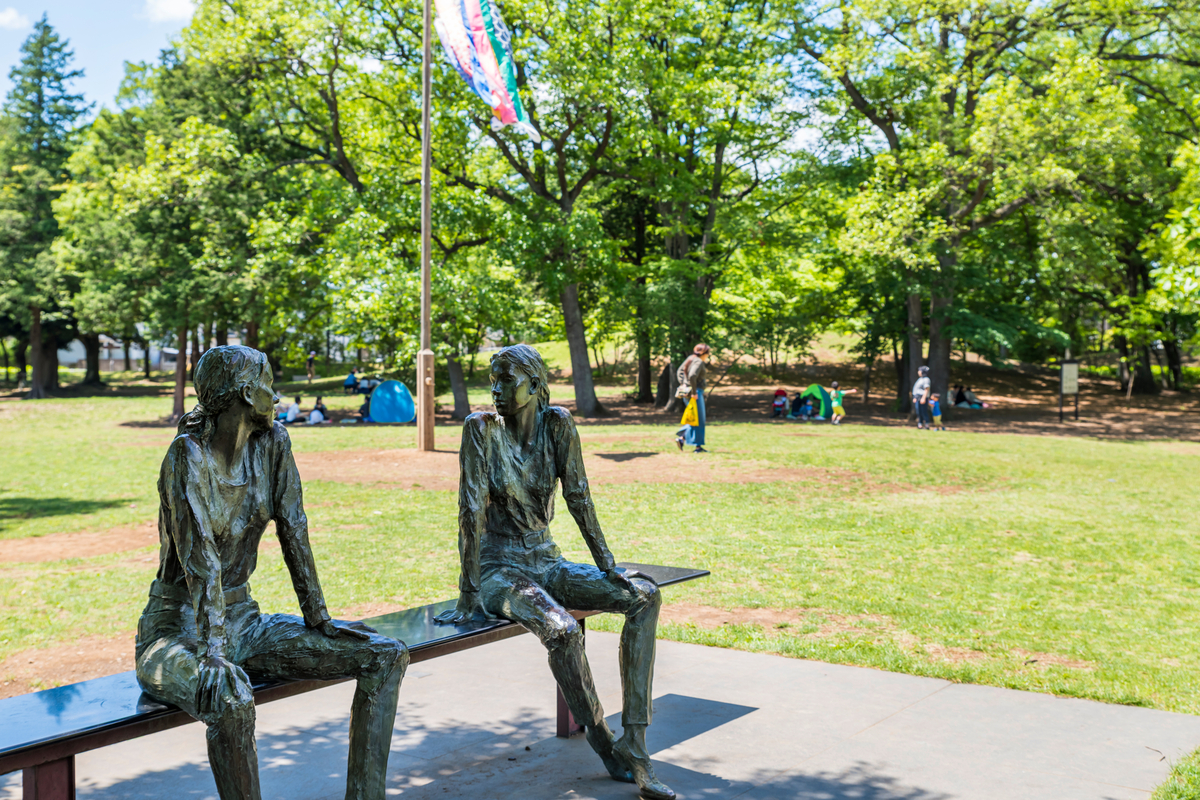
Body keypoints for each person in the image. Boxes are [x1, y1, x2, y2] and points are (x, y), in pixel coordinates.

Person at [134, 346, 407, 800]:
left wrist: (319, 618)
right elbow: (201, 562)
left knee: (385, 654)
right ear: (246, 393)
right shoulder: (188, 456)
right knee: (230, 701)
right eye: (268, 384)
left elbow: (295, 531)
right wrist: (214, 653)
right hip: (175, 633)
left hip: (244, 620)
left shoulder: (274, 444)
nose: (276, 395)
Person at [435, 345, 674, 800]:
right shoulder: (481, 430)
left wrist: (608, 566)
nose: (497, 389)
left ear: (535, 384)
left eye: (507, 380)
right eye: (494, 380)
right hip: (500, 571)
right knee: (562, 630)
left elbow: (579, 496)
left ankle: (637, 744)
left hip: (548, 560)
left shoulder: (558, 425)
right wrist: (468, 594)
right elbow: (470, 514)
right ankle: (606, 745)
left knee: (644, 595)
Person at [676, 343, 711, 453]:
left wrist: (683, 385)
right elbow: (692, 375)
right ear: (704, 353)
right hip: (695, 393)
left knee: (693, 418)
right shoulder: (699, 361)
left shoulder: (690, 358)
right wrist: (694, 391)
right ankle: (698, 447)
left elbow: (679, 372)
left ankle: (682, 438)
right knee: (699, 420)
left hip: (687, 392)